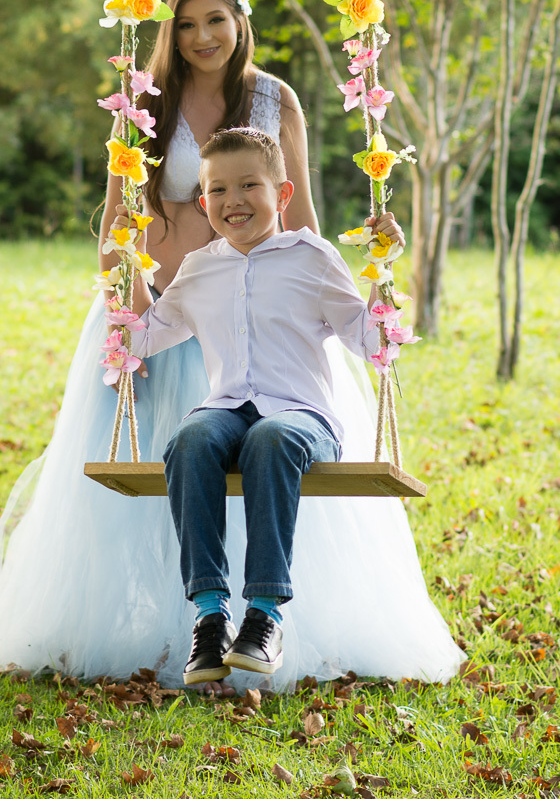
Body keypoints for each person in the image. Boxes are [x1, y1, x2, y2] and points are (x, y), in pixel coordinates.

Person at [0, 0, 464, 689]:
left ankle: (266, 621)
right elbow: (116, 223)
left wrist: (353, 281)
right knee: (185, 453)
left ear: (240, 24)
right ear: (168, 29)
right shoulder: (146, 103)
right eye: (188, 23)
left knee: (273, 447)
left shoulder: (273, 99)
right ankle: (187, 624)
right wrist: (132, 297)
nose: (203, 36)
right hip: (167, 305)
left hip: (267, 320)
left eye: (217, 21)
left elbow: (300, 222)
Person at [117, 127, 405, 686]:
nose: (234, 201)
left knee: (269, 438)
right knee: (191, 439)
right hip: (226, 409)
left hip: (302, 419)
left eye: (250, 185)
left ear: (283, 194)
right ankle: (209, 615)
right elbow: (142, 337)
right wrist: (127, 262)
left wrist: (384, 270)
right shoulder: (200, 268)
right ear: (204, 202)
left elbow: (373, 343)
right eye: (219, 190)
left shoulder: (313, 258)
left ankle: (265, 616)